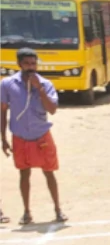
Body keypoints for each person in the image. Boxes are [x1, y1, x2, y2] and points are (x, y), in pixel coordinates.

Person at [0, 47, 66, 225]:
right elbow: (3, 111)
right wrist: (3, 138)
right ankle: (27, 212)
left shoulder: (46, 84)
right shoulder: (7, 84)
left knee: (49, 173)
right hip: (20, 136)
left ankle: (58, 210)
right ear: (19, 64)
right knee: (24, 174)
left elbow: (52, 110)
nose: (31, 67)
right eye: (27, 63)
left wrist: (39, 89)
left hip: (41, 136)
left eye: (33, 63)